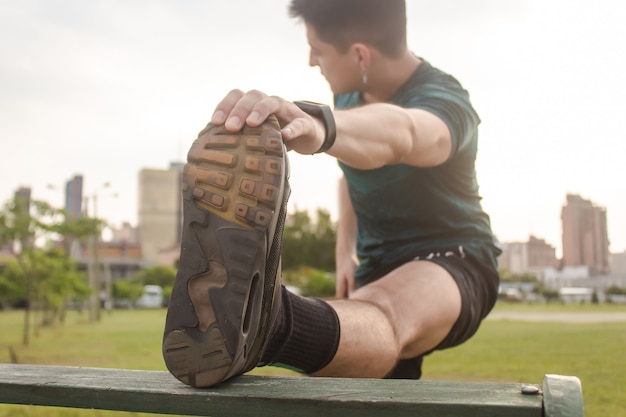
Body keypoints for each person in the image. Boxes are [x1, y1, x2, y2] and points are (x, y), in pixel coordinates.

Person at [163, 0, 501, 387]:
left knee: (386, 314)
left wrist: (323, 126)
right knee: (369, 384)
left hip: (454, 260)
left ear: (360, 55)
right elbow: (353, 174)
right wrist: (345, 252)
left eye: (319, 49)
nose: (311, 60)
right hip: (374, 267)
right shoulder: (350, 96)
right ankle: (261, 321)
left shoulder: (446, 102)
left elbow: (404, 132)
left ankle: (268, 324)